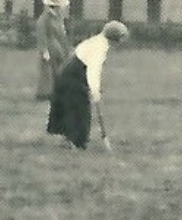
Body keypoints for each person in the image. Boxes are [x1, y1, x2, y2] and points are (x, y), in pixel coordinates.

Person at [48, 20, 128, 150]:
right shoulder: (100, 47)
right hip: (73, 76)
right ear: (114, 38)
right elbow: (93, 71)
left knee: (74, 106)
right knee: (79, 108)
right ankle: (76, 141)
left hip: (70, 73)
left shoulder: (96, 40)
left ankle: (71, 139)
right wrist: (95, 92)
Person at [34, 0, 72, 125]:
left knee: (60, 71)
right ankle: (45, 93)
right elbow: (41, 34)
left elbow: (62, 34)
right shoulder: (44, 19)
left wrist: (66, 48)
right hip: (50, 49)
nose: (59, 9)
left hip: (59, 48)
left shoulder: (59, 19)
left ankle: (58, 92)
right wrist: (44, 50)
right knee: (48, 72)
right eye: (57, 7)